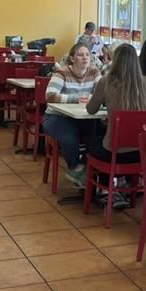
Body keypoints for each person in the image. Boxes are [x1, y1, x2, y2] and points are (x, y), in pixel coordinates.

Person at [85, 44, 146, 209]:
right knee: (107, 134)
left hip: (115, 151)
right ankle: (123, 183)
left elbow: (91, 109)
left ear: (115, 61)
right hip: (140, 152)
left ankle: (105, 190)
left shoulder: (106, 82)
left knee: (92, 141)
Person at [42, 42, 102, 189]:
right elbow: (50, 96)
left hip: (83, 117)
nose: (85, 58)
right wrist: (77, 99)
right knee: (70, 136)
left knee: (103, 134)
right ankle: (74, 168)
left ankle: (83, 166)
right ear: (72, 58)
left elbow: (102, 92)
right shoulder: (62, 73)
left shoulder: (94, 73)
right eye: (81, 55)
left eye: (87, 54)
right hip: (56, 117)